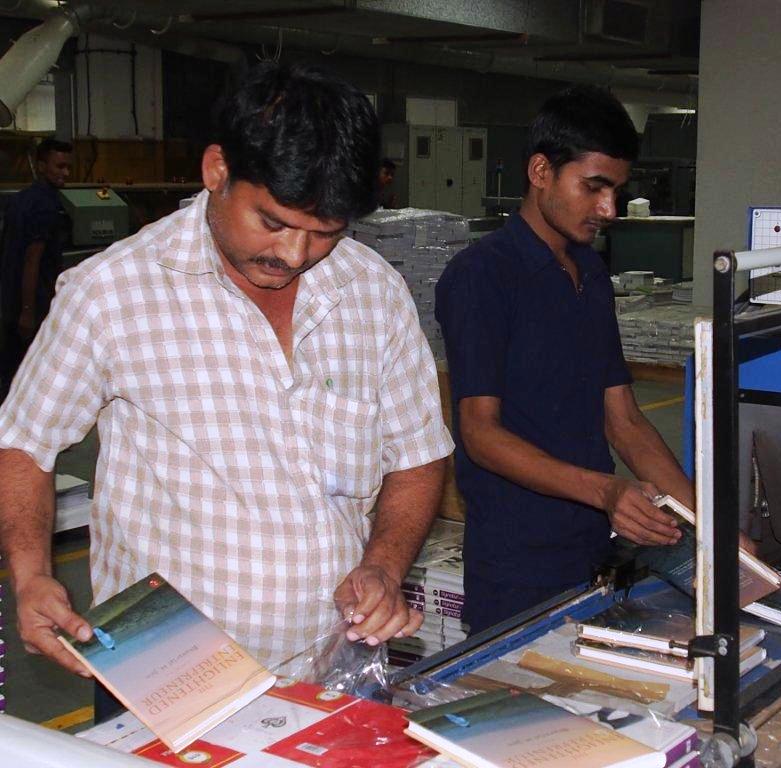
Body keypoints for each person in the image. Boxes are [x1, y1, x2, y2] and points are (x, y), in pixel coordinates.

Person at [0, 62, 453, 691]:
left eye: (323, 233)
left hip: (333, 662)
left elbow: (418, 455)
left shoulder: (372, 290)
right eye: (273, 222)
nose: (293, 255)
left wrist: (383, 564)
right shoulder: (111, 292)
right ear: (217, 170)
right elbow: (24, 442)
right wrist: (31, 575)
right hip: (164, 676)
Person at [435, 85, 696, 633]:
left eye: (616, 191)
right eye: (593, 187)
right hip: (517, 565)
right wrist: (606, 490)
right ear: (541, 171)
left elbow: (624, 421)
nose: (608, 210)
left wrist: (709, 525)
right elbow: (480, 434)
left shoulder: (590, 275)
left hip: (594, 549)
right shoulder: (482, 277)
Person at [0, 138, 72, 395]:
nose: (66, 173)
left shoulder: (19, 200)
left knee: (10, 373)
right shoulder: (46, 206)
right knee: (30, 379)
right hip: (32, 305)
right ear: (41, 166)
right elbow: (33, 260)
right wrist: (28, 312)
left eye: (68, 167)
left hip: (9, 302)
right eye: (59, 166)